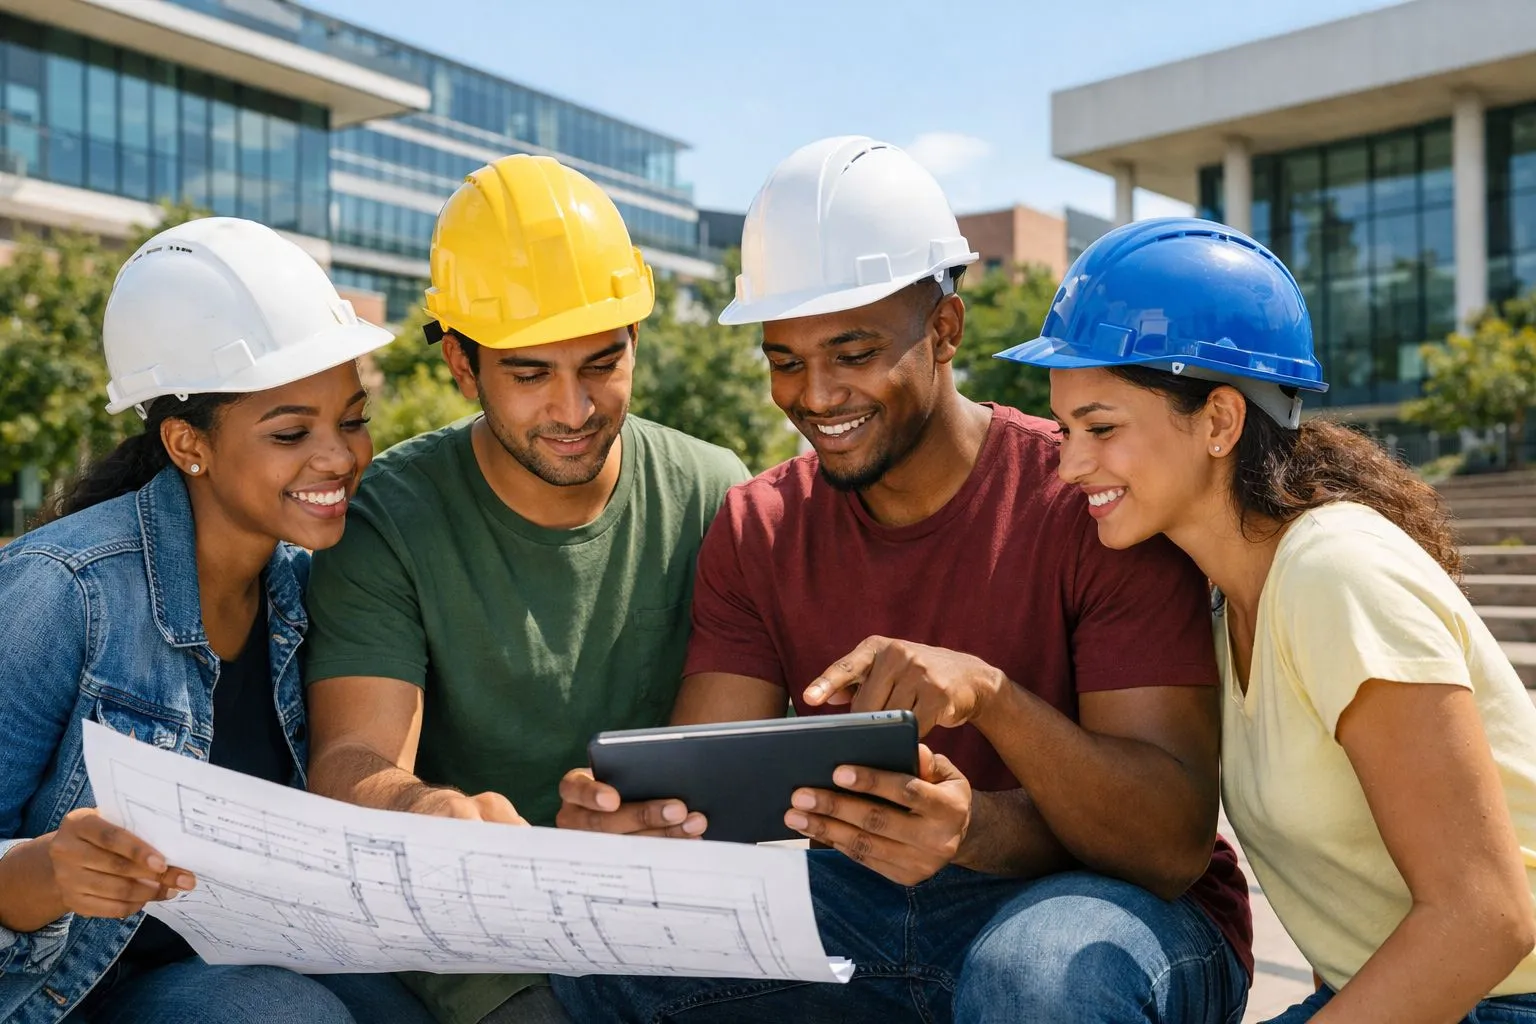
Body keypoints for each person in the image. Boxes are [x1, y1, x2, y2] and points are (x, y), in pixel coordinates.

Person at [551, 137, 1252, 1023]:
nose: (816, 395)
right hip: (871, 901)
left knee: (1034, 977)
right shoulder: (759, 526)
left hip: (1112, 913)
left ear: (946, 333)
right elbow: (709, 804)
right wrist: (636, 829)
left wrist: (989, 706)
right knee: (605, 942)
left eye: (852, 352)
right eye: (785, 360)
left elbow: (1169, 843)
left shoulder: (1093, 497)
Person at [995, 215, 1536, 1024]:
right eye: (1066, 429)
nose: (1069, 464)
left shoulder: (1336, 572)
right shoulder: (1230, 601)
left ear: (1219, 420)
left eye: (1101, 428)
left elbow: (1487, 915)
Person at [301, 153, 751, 1024]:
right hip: (480, 915)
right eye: (531, 373)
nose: (575, 409)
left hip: (673, 897)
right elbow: (352, 763)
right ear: (463, 368)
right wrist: (431, 808)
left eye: (602, 362)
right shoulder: (390, 517)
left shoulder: (715, 490)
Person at [0, 218, 430, 1023]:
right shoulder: (63, 591)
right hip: (67, 991)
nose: (340, 457)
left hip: (234, 959)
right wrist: (49, 872)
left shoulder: (306, 590)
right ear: (187, 443)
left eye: (352, 418)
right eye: (291, 432)